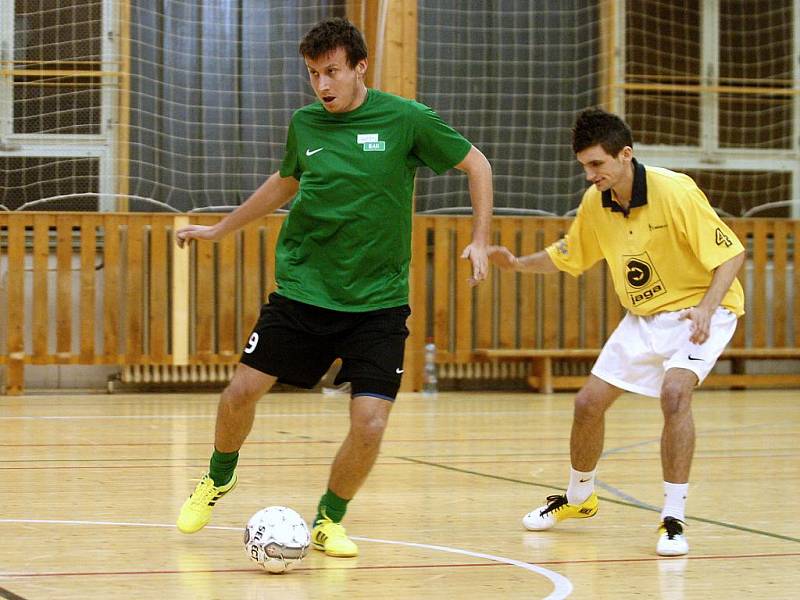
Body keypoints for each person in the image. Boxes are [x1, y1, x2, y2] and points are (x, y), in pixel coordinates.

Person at [174, 17, 492, 558]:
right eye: (313, 74)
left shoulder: (406, 119)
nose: (322, 86)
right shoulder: (306, 124)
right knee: (239, 394)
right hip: (304, 289)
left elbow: (476, 164)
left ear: (359, 67)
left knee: (369, 422)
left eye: (332, 72)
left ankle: (329, 518)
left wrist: (481, 238)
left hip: (377, 302)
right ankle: (217, 477)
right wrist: (222, 227)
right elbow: (285, 181)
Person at [487, 108, 744, 556]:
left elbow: (731, 256)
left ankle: (673, 518)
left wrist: (705, 309)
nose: (590, 175)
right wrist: (517, 264)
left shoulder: (675, 191)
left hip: (701, 310)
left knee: (674, 394)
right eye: (585, 166)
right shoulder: (595, 202)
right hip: (643, 317)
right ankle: (579, 497)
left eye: (597, 165)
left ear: (625, 155)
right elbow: (569, 255)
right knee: (587, 403)